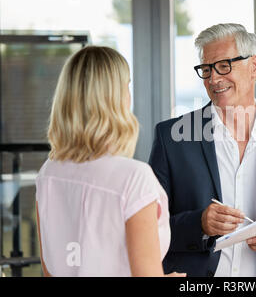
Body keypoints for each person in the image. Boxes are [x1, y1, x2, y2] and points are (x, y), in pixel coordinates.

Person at [149, 23, 256, 277]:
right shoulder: (171, 138)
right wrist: (199, 223)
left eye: (224, 66)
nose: (214, 78)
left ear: (254, 67)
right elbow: (149, 225)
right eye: (206, 69)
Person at [35, 46, 185, 277]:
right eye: (127, 86)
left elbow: (51, 271)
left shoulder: (49, 173)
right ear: (116, 99)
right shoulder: (134, 178)